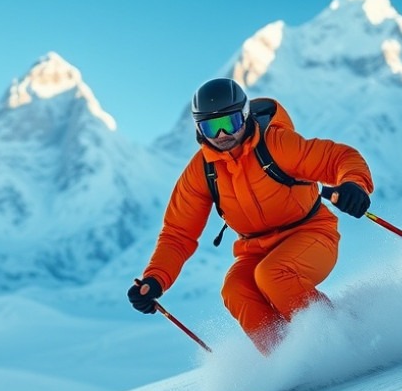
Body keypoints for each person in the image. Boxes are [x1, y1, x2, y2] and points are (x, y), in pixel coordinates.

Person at [127, 78, 373, 354]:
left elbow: (339, 158)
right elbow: (178, 234)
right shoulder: (201, 171)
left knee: (273, 274)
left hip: (311, 233)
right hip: (255, 249)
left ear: (244, 116)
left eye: (229, 123)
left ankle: (343, 339)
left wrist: (354, 184)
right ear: (199, 129)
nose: (221, 135)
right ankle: (285, 360)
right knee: (235, 288)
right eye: (211, 127)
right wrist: (155, 279)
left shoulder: (276, 145)